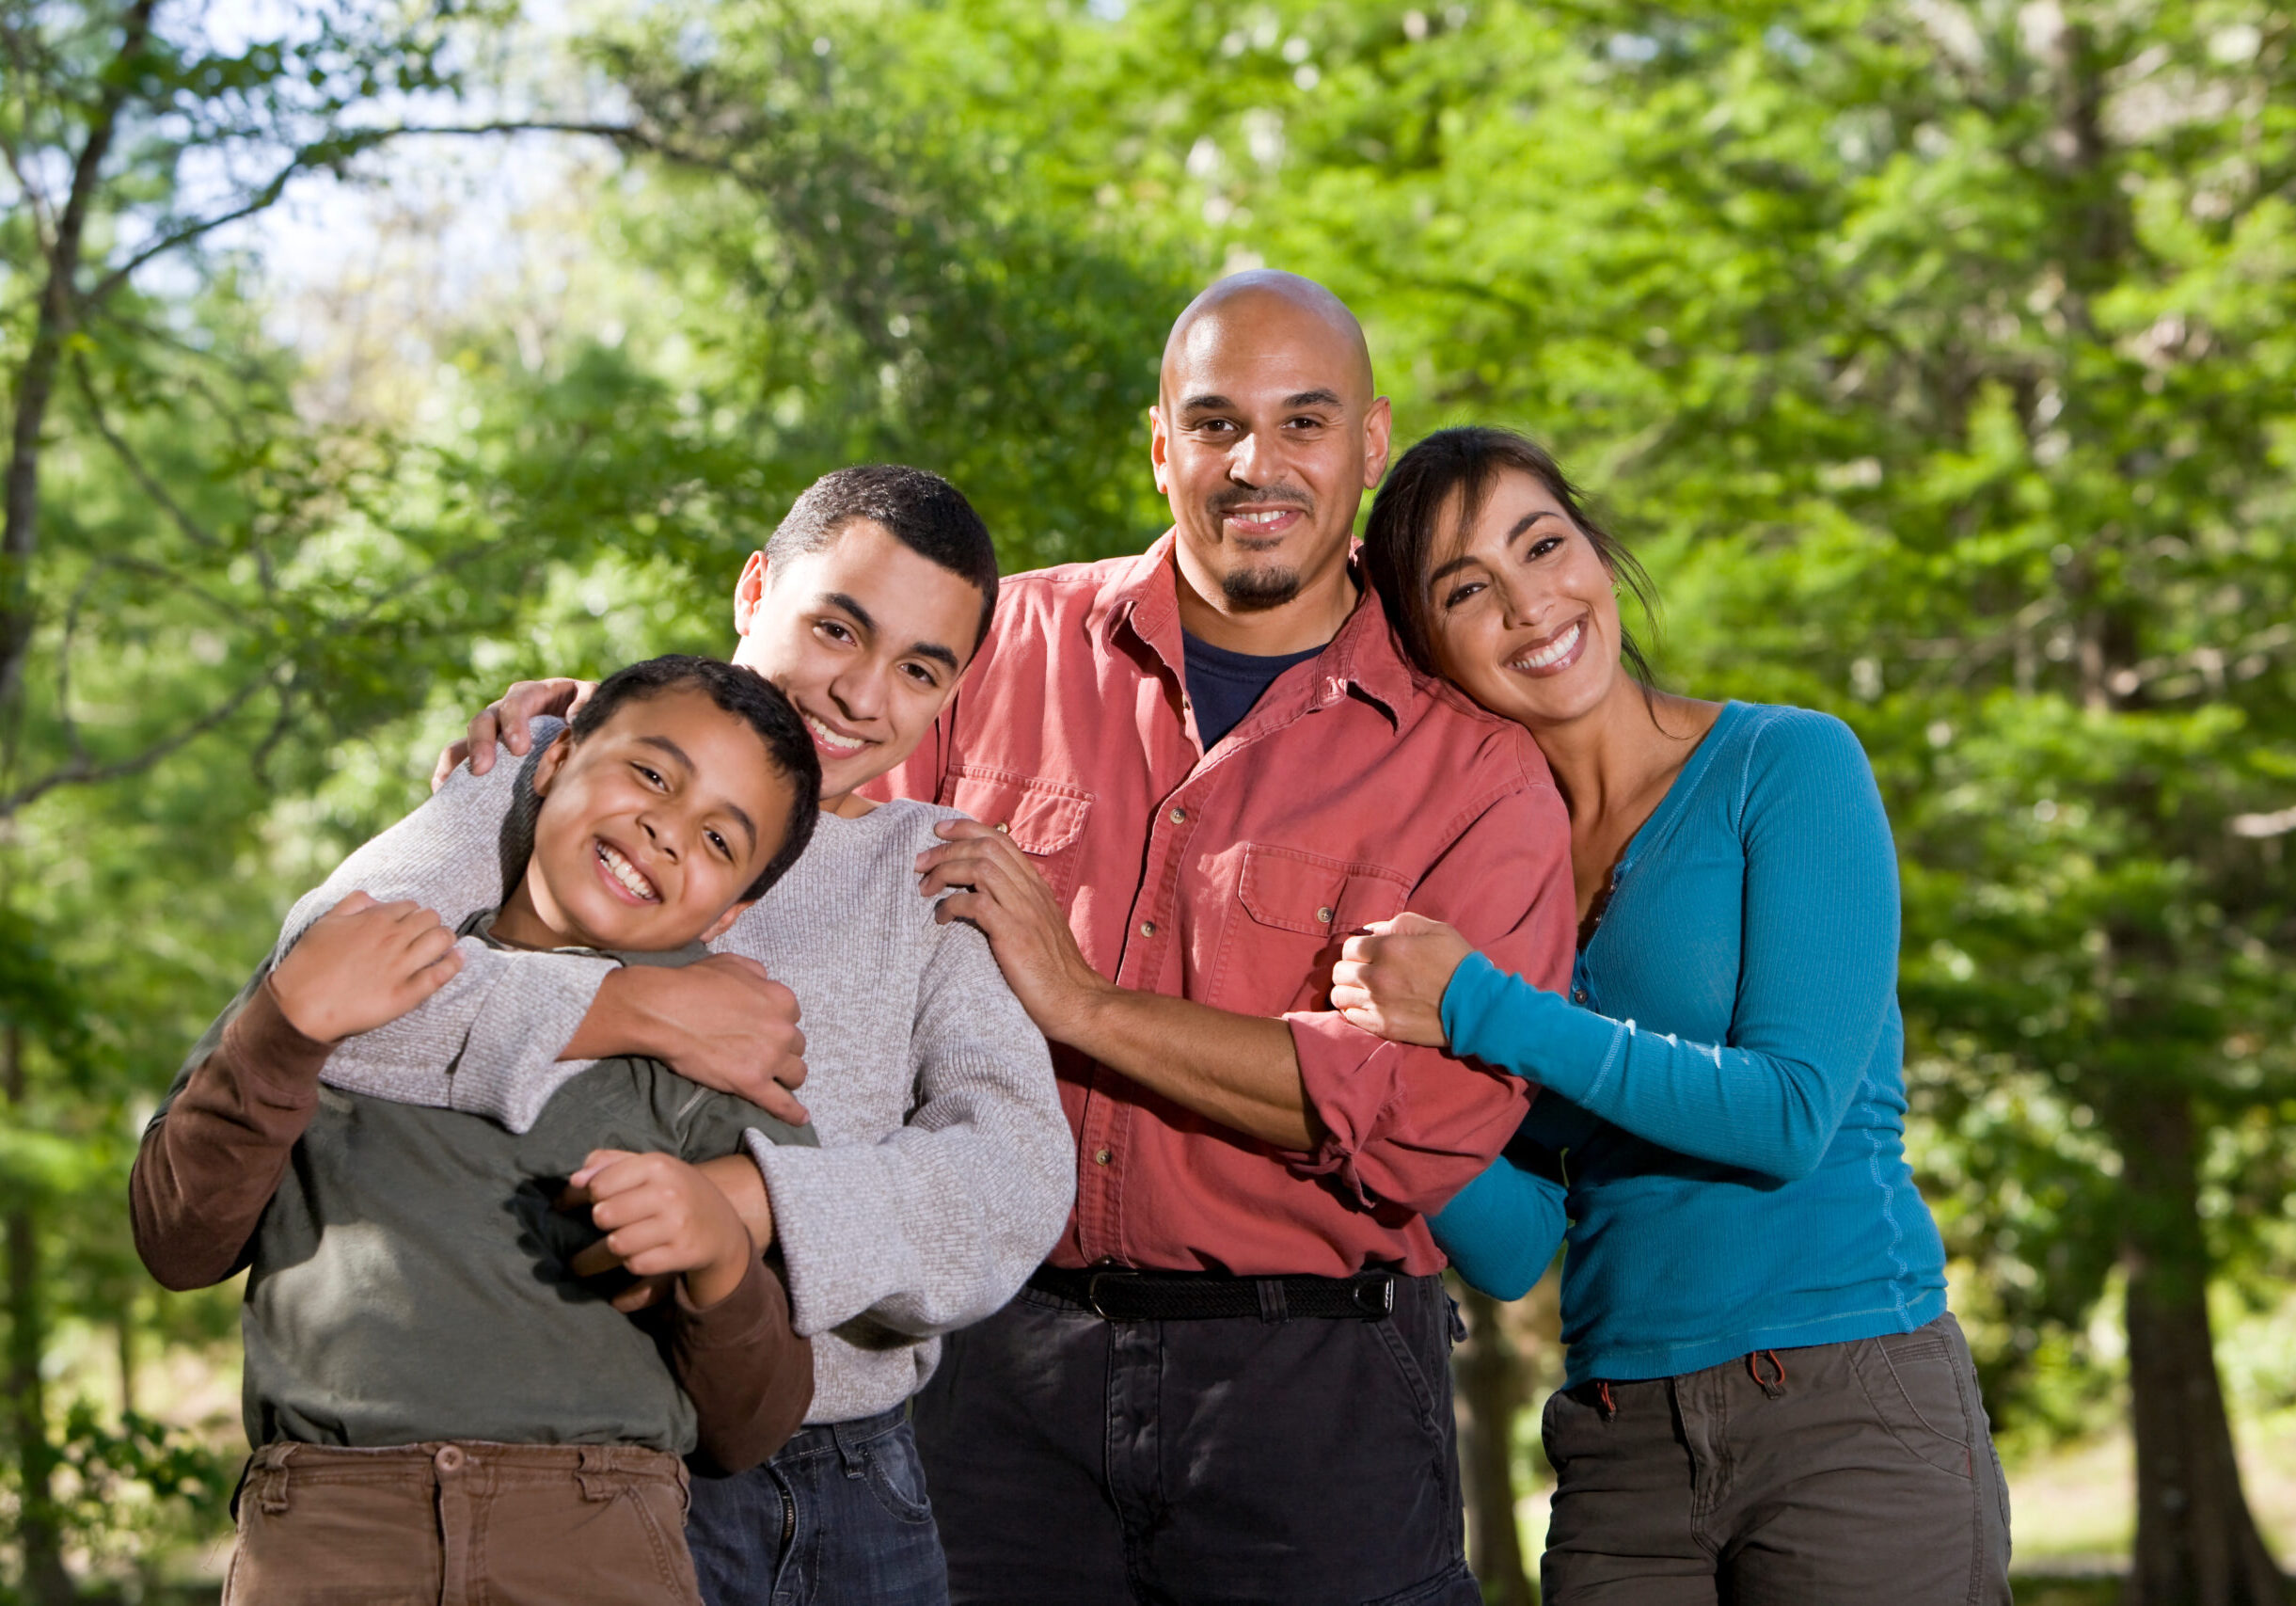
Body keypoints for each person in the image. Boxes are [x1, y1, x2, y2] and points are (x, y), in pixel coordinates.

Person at [234, 466, 1070, 1606]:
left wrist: (754, 1196)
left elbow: (1014, 1181)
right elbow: (320, 981)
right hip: (588, 1469)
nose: (861, 696)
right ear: (754, 588)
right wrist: (632, 1006)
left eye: (918, 671)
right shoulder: (565, 766)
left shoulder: (930, 875)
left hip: (858, 1485)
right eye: (836, 628)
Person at [865, 272, 1577, 1605]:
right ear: (1158, 446)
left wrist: (1084, 1005)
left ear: (1369, 442)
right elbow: (799, 782)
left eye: (1304, 422)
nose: (1257, 464)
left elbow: (1431, 1117)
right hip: (986, 1377)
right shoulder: (991, 645)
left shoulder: (1474, 767)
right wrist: (581, 728)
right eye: (1215, 424)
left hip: (1318, 1402)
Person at [1333, 425, 2014, 1604]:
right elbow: (1510, 1245)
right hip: (1617, 1444)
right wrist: (1353, 1083)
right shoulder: (1487, 896)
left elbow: (1790, 1113)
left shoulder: (1786, 765)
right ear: (1426, 650)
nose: (1530, 605)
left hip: (1847, 1411)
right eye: (1466, 590)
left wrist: (1478, 1008)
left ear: (1595, 549)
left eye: (1542, 545)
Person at [132, 656, 824, 1606]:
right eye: (652, 775)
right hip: (328, 1534)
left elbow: (753, 1427)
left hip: (593, 1542)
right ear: (553, 761)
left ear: (736, 906)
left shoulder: (721, 1064)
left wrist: (717, 1262)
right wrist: (281, 1033)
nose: (666, 830)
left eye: (717, 839)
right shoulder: (355, 965)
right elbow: (177, 1239)